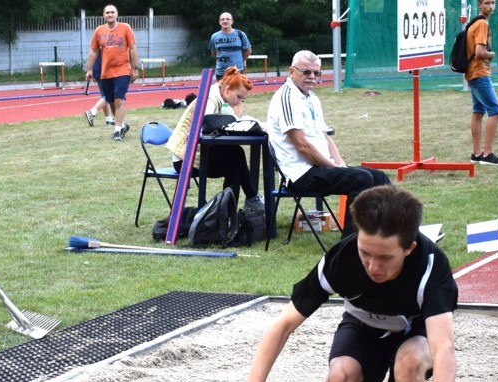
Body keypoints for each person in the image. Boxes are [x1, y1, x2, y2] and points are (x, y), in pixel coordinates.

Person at [221, 186, 459, 382]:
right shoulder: (342, 258)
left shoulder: (431, 267)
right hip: (362, 324)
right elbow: (284, 324)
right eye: (366, 253)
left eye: (385, 258)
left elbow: (443, 347)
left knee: (409, 364)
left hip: (414, 330)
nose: (372, 267)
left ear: (409, 248)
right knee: (339, 376)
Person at [267, 50, 391, 236]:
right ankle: (350, 243)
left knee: (378, 177)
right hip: (299, 173)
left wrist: (341, 165)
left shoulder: (312, 98)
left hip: (319, 168)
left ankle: (392, 232)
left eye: (316, 73)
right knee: (361, 178)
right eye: (306, 72)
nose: (312, 77)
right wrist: (336, 168)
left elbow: (325, 137)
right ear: (291, 72)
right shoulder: (286, 97)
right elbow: (302, 146)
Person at [166, 67, 262, 208]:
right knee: (236, 158)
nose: (239, 102)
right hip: (184, 160)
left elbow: (232, 120)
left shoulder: (219, 96)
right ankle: (247, 202)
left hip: (194, 155)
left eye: (243, 99)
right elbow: (204, 130)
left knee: (235, 157)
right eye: (239, 97)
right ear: (227, 89)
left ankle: (239, 206)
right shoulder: (211, 100)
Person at [85, 4, 139, 141]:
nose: (110, 15)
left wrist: (134, 68)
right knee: (111, 101)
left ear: (117, 14)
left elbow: (132, 49)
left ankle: (117, 131)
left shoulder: (126, 28)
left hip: (122, 69)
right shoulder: (99, 31)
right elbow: (93, 51)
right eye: (107, 12)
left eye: (112, 12)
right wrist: (89, 69)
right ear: (104, 15)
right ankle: (122, 125)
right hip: (106, 72)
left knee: (120, 99)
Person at [466, 0, 498, 165]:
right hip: (479, 73)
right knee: (496, 111)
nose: (491, 6)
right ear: (479, 5)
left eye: (493, 3)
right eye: (487, 3)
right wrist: (492, 54)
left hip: (471, 73)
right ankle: (487, 154)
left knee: (478, 112)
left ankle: (476, 153)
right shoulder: (482, 24)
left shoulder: (474, 23)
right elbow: (480, 52)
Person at [208, 12, 251, 81]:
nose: (225, 21)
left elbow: (248, 51)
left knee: (238, 92)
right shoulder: (214, 36)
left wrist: (240, 61)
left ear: (232, 21)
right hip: (221, 72)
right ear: (219, 22)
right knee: (223, 92)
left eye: (228, 19)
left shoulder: (240, 34)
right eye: (222, 19)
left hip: (237, 71)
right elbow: (213, 53)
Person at [83, 49, 114, 127]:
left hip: (98, 69)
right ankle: (92, 112)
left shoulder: (98, 40)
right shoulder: (106, 40)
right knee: (109, 95)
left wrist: (89, 70)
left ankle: (109, 119)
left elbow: (92, 54)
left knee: (104, 95)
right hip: (104, 69)